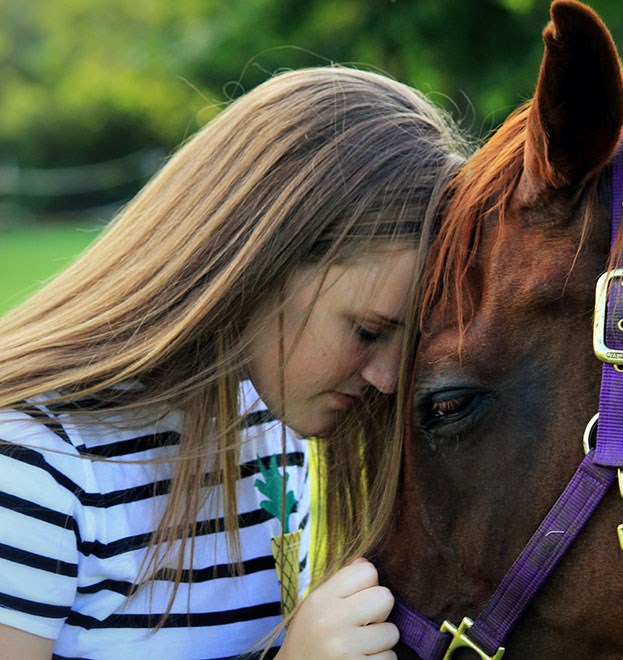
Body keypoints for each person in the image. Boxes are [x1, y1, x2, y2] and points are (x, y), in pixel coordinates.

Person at [0, 66, 469, 659]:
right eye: (369, 330)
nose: (384, 379)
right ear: (263, 263)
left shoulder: (268, 429)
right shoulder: (34, 463)